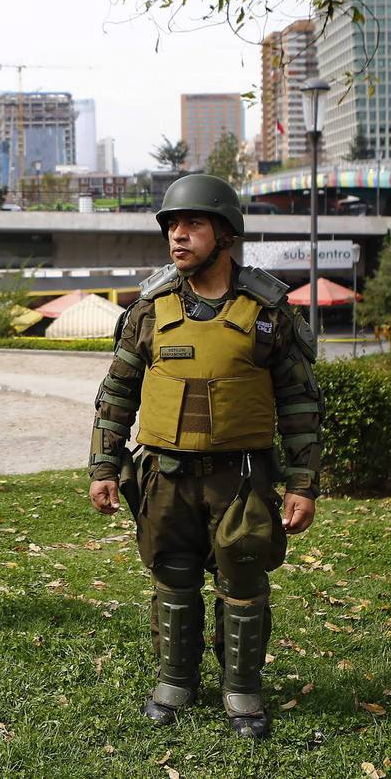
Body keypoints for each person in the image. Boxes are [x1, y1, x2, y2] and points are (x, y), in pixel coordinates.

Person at [86, 174, 323, 737]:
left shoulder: (267, 311)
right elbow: (117, 393)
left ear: (225, 233)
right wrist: (103, 466)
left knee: (243, 582)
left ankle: (241, 689)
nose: (177, 236)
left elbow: (300, 401)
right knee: (173, 576)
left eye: (192, 224)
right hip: (165, 477)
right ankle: (177, 679)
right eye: (172, 225)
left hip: (240, 479)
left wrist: (302, 482)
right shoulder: (150, 310)